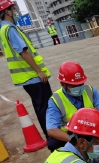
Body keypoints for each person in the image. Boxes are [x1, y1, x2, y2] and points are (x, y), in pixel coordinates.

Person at [0, 0, 52, 138]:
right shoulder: (10, 29)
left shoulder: (4, 28)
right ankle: (53, 137)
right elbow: (24, 52)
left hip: (27, 77)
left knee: (41, 107)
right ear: (7, 11)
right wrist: (39, 71)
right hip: (33, 76)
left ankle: (51, 136)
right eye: (14, 10)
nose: (16, 13)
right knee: (46, 108)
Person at [46, 61, 99, 152]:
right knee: (53, 143)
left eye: (81, 84)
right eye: (74, 85)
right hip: (72, 134)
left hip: (91, 129)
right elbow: (52, 130)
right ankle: (75, 155)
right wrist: (79, 141)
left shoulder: (90, 91)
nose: (79, 87)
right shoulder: (56, 100)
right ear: (62, 84)